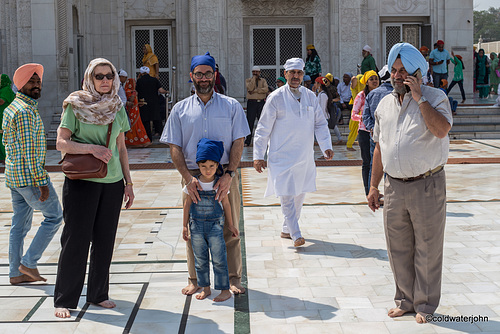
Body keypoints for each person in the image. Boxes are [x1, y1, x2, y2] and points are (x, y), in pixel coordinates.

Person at [367, 43, 452, 324]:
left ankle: (425, 305)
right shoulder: (384, 104)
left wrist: (419, 98)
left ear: (418, 73)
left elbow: (441, 130)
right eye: (393, 70)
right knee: (398, 247)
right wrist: (373, 186)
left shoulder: (435, 97)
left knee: (427, 247)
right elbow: (379, 147)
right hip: (393, 187)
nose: (397, 75)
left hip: (427, 185)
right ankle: (404, 300)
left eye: (403, 71)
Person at [161, 51, 250, 296]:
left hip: (224, 173)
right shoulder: (180, 109)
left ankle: (233, 278)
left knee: (230, 227)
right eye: (199, 74)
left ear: (215, 75)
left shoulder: (231, 106)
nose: (203, 78)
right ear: (191, 76)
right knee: (194, 228)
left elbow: (239, 141)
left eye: (207, 74)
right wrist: (188, 179)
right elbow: (174, 147)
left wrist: (229, 174)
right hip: (193, 175)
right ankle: (195, 279)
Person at [54, 58, 134, 318]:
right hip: (81, 182)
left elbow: (121, 147)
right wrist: (92, 148)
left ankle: (99, 294)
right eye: (99, 76)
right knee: (76, 240)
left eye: (108, 76)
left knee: (104, 241)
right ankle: (64, 299)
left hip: (111, 184)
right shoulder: (75, 105)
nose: (104, 81)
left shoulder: (116, 106)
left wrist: (128, 183)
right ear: (90, 77)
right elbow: (61, 143)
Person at [253, 58, 334, 247]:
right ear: (285, 74)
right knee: (287, 193)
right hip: (281, 156)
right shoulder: (275, 98)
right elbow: (263, 128)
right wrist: (258, 156)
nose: (296, 76)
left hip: (304, 156)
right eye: (292, 73)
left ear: (303, 74)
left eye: (299, 73)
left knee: (299, 194)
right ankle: (296, 234)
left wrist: (326, 145)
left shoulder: (310, 96)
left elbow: (320, 123)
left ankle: (286, 228)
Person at [3, 64, 63, 285]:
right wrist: (42, 183)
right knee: (55, 217)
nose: (36, 85)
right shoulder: (25, 112)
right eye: (31, 81)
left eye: (38, 81)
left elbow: (7, 142)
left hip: (14, 177)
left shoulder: (12, 107)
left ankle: (15, 273)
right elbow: (29, 153)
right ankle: (28, 263)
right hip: (29, 179)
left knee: (19, 225)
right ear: (21, 84)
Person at [182, 138, 239, 302]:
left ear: (217, 165)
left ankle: (224, 290)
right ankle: (205, 288)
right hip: (196, 227)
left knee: (219, 258)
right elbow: (187, 205)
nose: (208, 170)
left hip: (215, 227)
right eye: (203, 166)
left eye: (212, 166)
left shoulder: (220, 183)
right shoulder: (193, 184)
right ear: (198, 166)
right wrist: (184, 226)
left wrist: (231, 224)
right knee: (200, 259)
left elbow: (226, 204)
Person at [351, 70, 379, 195]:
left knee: (378, 162)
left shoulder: (381, 94)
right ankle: (368, 191)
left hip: (378, 132)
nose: (374, 81)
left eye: (376, 78)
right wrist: (364, 117)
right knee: (367, 162)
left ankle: (376, 190)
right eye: (371, 79)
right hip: (364, 131)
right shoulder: (361, 96)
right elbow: (353, 115)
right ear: (367, 82)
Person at [136, 66, 168, 141]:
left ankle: (148, 138)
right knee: (157, 119)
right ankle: (161, 136)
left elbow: (136, 91)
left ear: (140, 73)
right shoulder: (154, 80)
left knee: (146, 121)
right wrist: (167, 92)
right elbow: (160, 90)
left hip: (143, 103)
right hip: (154, 103)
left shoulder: (139, 81)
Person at [245, 66, 268, 147]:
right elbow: (250, 88)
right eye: (253, 72)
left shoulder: (263, 80)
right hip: (252, 103)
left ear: (259, 72)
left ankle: (264, 141)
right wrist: (254, 79)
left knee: (262, 122)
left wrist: (255, 91)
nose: (255, 73)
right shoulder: (248, 80)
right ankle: (247, 141)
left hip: (260, 103)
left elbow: (265, 89)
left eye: (257, 72)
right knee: (250, 122)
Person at [124, 77, 151, 147]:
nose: (135, 84)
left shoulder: (132, 91)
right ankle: (132, 142)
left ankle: (141, 141)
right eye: (134, 83)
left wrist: (139, 103)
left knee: (138, 125)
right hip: (131, 112)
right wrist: (133, 94)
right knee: (133, 126)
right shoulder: (128, 91)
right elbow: (131, 100)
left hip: (136, 111)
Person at [316, 77, 342, 145]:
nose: (315, 84)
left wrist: (320, 119)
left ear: (320, 84)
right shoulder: (320, 94)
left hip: (324, 118)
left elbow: (322, 108)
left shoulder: (323, 95)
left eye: (316, 83)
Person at [346, 74, 365, 151]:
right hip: (357, 113)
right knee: (354, 129)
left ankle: (353, 142)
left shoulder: (364, 92)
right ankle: (349, 145)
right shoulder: (355, 90)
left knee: (358, 130)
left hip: (362, 112)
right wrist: (357, 76)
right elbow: (353, 79)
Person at [1, 74, 16, 163]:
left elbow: (2, 101)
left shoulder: (6, 89)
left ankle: (4, 157)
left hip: (2, 116)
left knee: (3, 135)